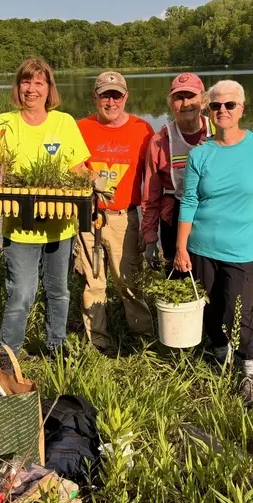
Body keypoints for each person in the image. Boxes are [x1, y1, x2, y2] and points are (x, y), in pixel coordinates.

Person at [174, 79, 253, 407]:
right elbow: (189, 200)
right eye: (216, 105)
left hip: (241, 248)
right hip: (201, 246)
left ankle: (250, 371)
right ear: (208, 110)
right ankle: (220, 354)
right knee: (210, 307)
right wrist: (180, 247)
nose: (222, 110)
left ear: (241, 109)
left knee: (239, 312)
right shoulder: (200, 154)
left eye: (230, 104)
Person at [0, 58, 91, 371]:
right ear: (18, 86)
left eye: (38, 83)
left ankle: (56, 345)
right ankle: (8, 353)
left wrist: (94, 183)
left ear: (49, 89)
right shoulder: (3, 123)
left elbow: (78, 168)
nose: (31, 89)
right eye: (26, 81)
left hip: (60, 226)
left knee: (58, 291)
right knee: (21, 292)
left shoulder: (64, 123)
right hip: (19, 227)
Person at [75, 71, 155, 352]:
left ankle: (143, 339)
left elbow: (152, 178)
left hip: (125, 218)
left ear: (126, 97)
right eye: (105, 96)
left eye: (116, 96)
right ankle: (98, 342)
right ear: (95, 97)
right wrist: (90, 177)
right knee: (93, 283)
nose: (111, 102)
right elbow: (72, 164)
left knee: (129, 283)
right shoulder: (80, 127)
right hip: (89, 217)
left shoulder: (143, 129)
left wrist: (148, 225)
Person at [141, 73, 214, 273]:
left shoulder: (219, 131)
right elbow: (151, 195)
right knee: (177, 280)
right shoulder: (160, 141)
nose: (186, 103)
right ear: (171, 103)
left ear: (203, 100)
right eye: (179, 98)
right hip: (173, 217)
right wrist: (150, 239)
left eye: (191, 96)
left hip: (212, 216)